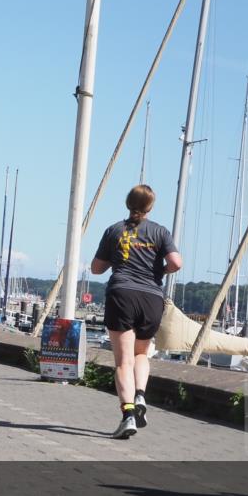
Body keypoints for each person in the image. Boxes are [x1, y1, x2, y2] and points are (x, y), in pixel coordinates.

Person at [91, 184, 182, 439]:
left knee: (123, 361)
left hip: (122, 294)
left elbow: (96, 269)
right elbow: (176, 262)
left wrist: (116, 258)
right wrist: (160, 271)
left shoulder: (114, 231)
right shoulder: (160, 232)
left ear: (127, 203)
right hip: (152, 297)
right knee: (142, 353)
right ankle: (140, 394)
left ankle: (128, 414)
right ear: (150, 206)